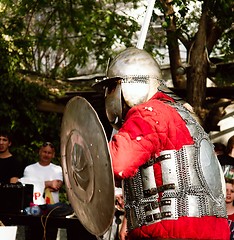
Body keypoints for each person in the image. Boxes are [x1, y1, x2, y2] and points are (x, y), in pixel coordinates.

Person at [96, 47, 230, 239]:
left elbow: (117, 164)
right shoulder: (183, 115)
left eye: (112, 87)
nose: (109, 95)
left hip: (175, 231)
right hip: (207, 230)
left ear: (131, 84)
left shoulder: (149, 113)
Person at [21, 142, 63, 240]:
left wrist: (37, 184)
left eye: (49, 153)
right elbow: (27, 187)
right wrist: (48, 183)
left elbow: (56, 186)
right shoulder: (29, 169)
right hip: (33, 211)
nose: (46, 155)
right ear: (40, 152)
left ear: (53, 155)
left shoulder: (58, 169)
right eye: (44, 152)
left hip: (51, 211)